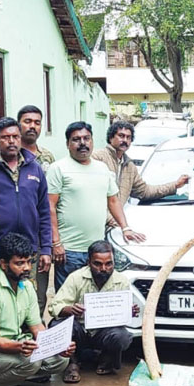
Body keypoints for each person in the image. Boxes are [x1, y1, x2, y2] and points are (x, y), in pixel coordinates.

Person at [0, 233, 75, 386]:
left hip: (11, 348)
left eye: (29, 262)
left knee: (60, 361)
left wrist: (57, 346)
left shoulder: (27, 286)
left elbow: (37, 327)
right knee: (30, 362)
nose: (26, 268)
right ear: (3, 264)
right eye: (19, 263)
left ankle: (8, 381)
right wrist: (20, 347)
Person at [47, 122, 145, 289]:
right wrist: (56, 243)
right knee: (68, 304)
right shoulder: (58, 168)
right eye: (76, 139)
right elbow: (50, 207)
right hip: (69, 251)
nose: (82, 143)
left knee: (95, 302)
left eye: (87, 138)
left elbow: (113, 201)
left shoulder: (102, 169)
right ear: (68, 144)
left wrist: (125, 228)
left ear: (92, 141)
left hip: (98, 254)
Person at [0, 117, 54, 316]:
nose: (12, 141)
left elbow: (44, 211)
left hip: (30, 251)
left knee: (32, 299)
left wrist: (46, 249)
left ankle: (32, 343)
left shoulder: (35, 169)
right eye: (6, 137)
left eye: (15, 136)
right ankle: (2, 343)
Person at [48, 240, 139, 383]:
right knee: (57, 326)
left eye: (109, 264)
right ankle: (72, 362)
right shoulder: (76, 277)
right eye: (98, 264)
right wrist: (70, 309)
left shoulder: (121, 281)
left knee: (123, 335)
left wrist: (128, 312)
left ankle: (107, 358)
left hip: (103, 332)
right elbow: (54, 307)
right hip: (80, 329)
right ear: (88, 262)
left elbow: (122, 318)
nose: (103, 268)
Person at [91, 120, 188, 226]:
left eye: (128, 137)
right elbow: (87, 196)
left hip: (115, 226)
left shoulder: (129, 166)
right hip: (94, 224)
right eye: (121, 136)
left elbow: (145, 191)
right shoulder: (97, 158)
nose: (125, 140)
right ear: (110, 138)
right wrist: (110, 219)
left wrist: (175, 185)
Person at [18, 105, 56, 173]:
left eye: (37, 123)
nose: (32, 126)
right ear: (18, 125)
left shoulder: (47, 156)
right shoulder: (12, 154)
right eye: (27, 121)